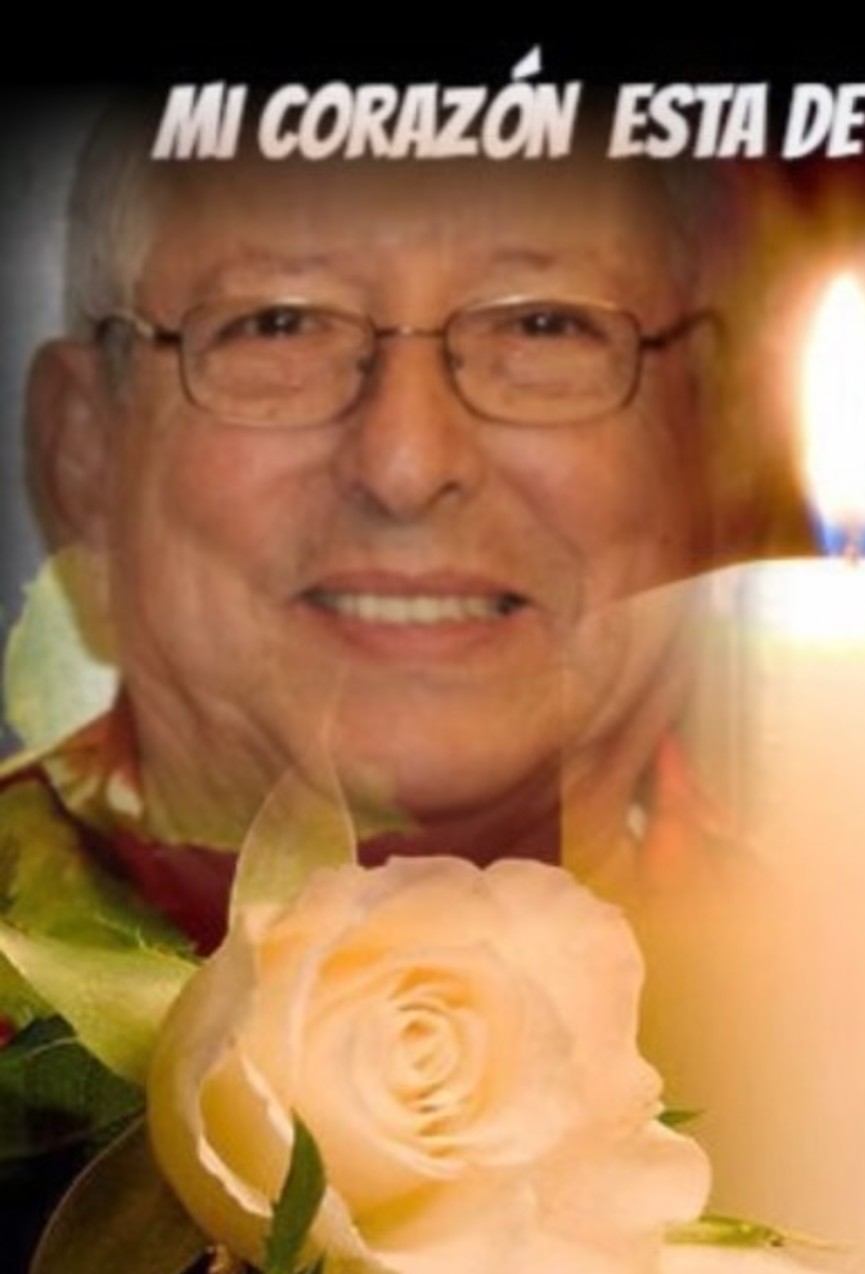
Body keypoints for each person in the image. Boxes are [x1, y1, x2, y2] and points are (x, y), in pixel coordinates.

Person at [15, 102, 787, 946]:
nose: (405, 467)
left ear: (716, 444)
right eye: (280, 325)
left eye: (541, 326)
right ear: (84, 456)